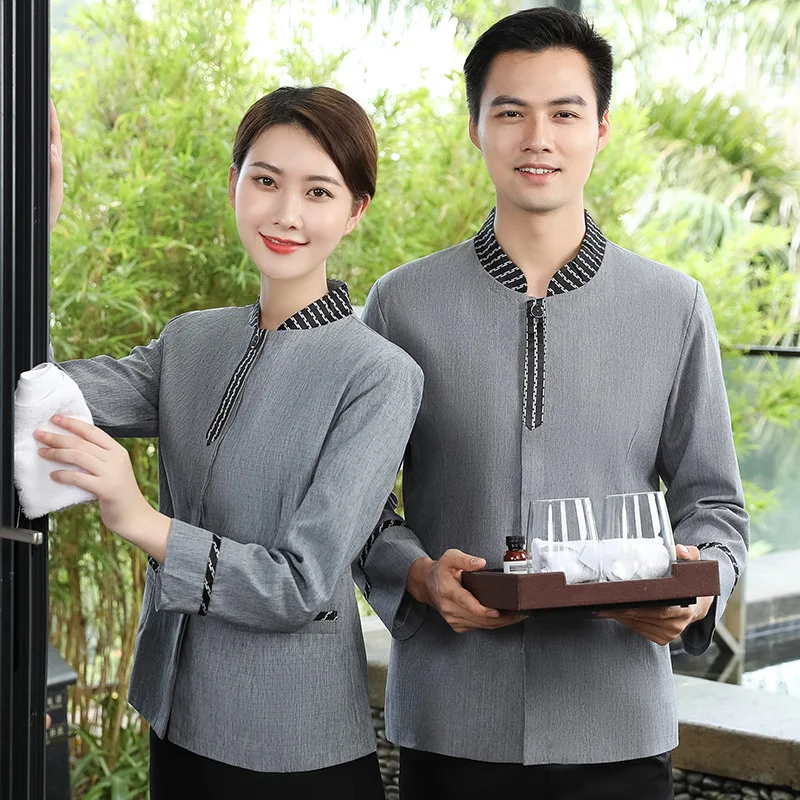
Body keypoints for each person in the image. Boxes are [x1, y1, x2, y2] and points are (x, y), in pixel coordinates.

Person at [353, 8, 748, 799]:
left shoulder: (673, 306)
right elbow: (355, 507)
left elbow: (716, 509)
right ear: (476, 129)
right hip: (451, 721)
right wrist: (423, 578)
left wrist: (697, 586)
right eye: (511, 112)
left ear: (600, 129)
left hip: (618, 723)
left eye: (564, 112)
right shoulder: (401, 306)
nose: (539, 137)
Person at [41, 88, 423, 798]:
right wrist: (36, 226)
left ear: (356, 210)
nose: (286, 214)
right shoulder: (191, 340)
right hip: (176, 722)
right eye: (266, 181)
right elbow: (37, 397)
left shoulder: (378, 376)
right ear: (234, 184)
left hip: (295, 752)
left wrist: (139, 519)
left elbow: (300, 585)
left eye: (318, 190)